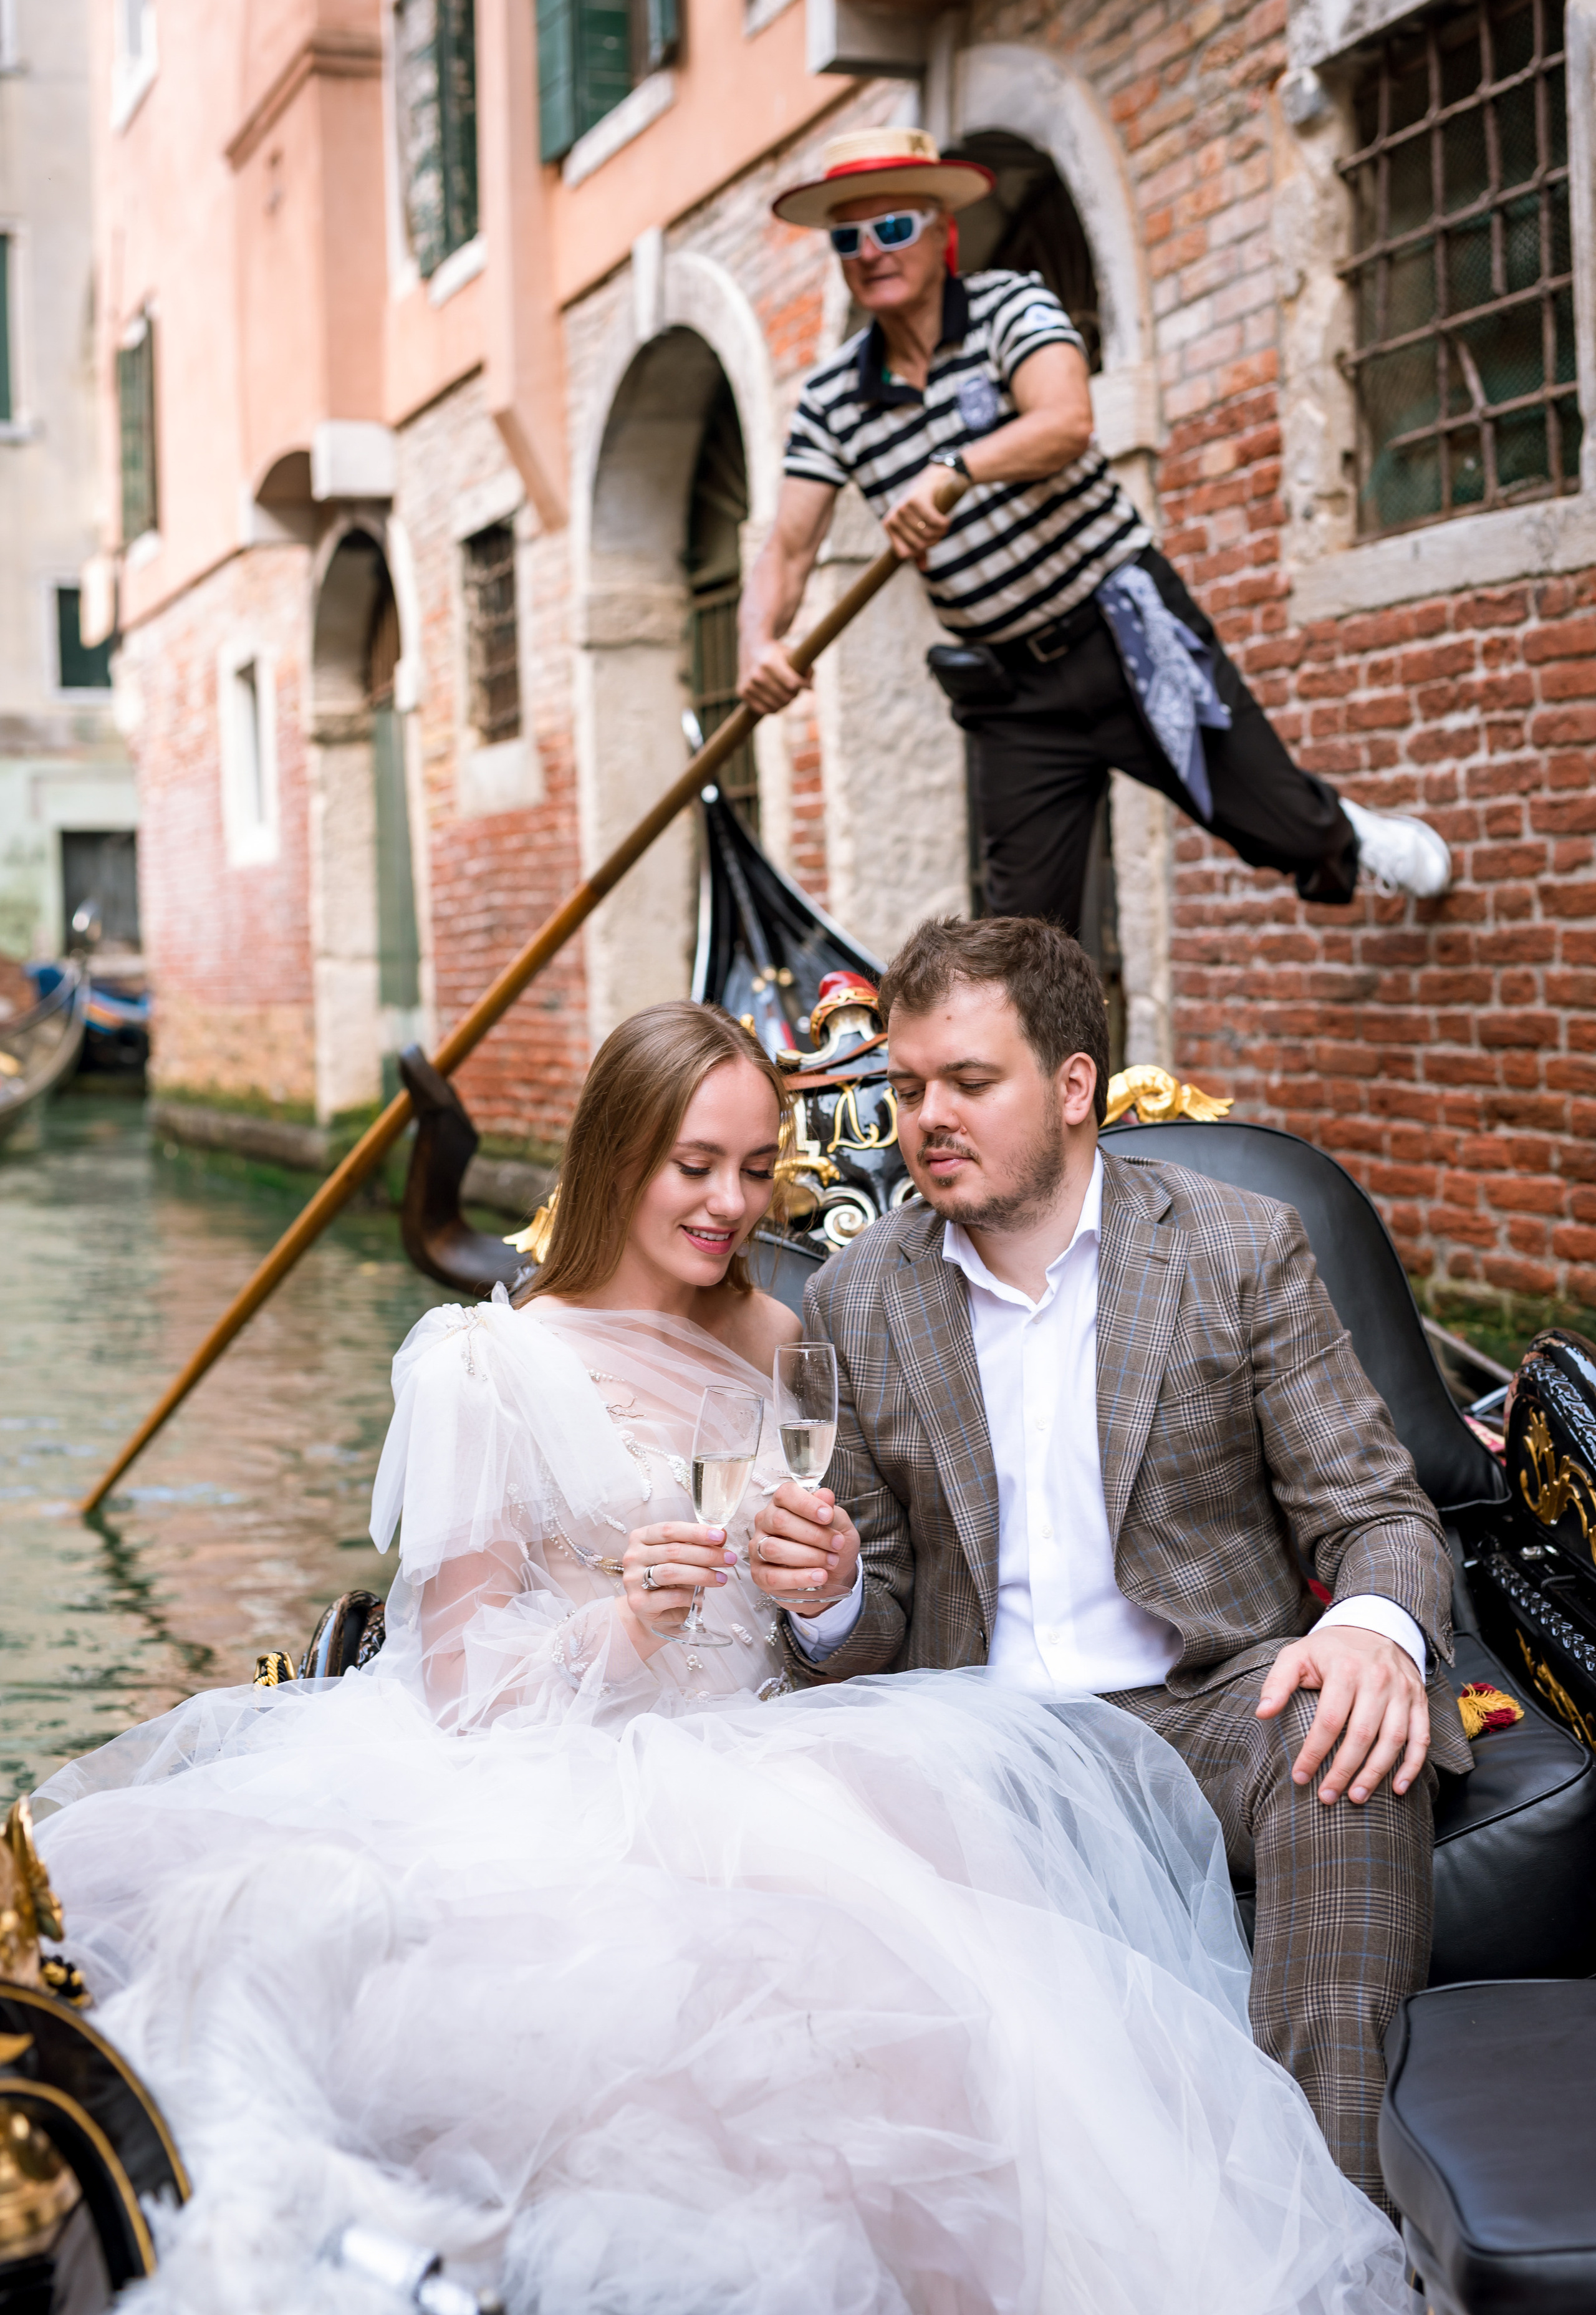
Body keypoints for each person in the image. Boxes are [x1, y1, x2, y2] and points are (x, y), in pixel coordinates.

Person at [29, 1002, 1409, 2315]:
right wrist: (622, 1626)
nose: (729, 1206)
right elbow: (453, 1693)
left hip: (794, 1754)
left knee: (956, 2036)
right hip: (561, 1782)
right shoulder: (481, 1365)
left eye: (757, 1169)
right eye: (692, 1167)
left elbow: (847, 1601)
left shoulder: (784, 1338)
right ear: (614, 1158)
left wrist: (830, 1579)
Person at [751, 915, 1466, 2213]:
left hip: (1206, 1708)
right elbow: (873, 1623)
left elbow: (1376, 1513)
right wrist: (831, 1592)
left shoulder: (1234, 1249)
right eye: (906, 1089)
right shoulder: (858, 1298)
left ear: (1074, 1087)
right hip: (973, 1739)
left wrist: (1368, 1629)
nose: (925, 1119)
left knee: (1346, 1748)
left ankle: (1323, 2235)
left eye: (969, 1083)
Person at [738, 125, 1453, 927]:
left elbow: (1066, 422)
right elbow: (788, 546)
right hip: (1011, 692)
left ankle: (1344, 835)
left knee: (1280, 823)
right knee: (1024, 944)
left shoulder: (1012, 306)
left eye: (893, 226)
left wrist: (954, 468)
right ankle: (1062, 1055)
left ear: (942, 230)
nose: (871, 250)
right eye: (849, 237)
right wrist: (759, 641)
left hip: (1126, 629)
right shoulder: (834, 397)